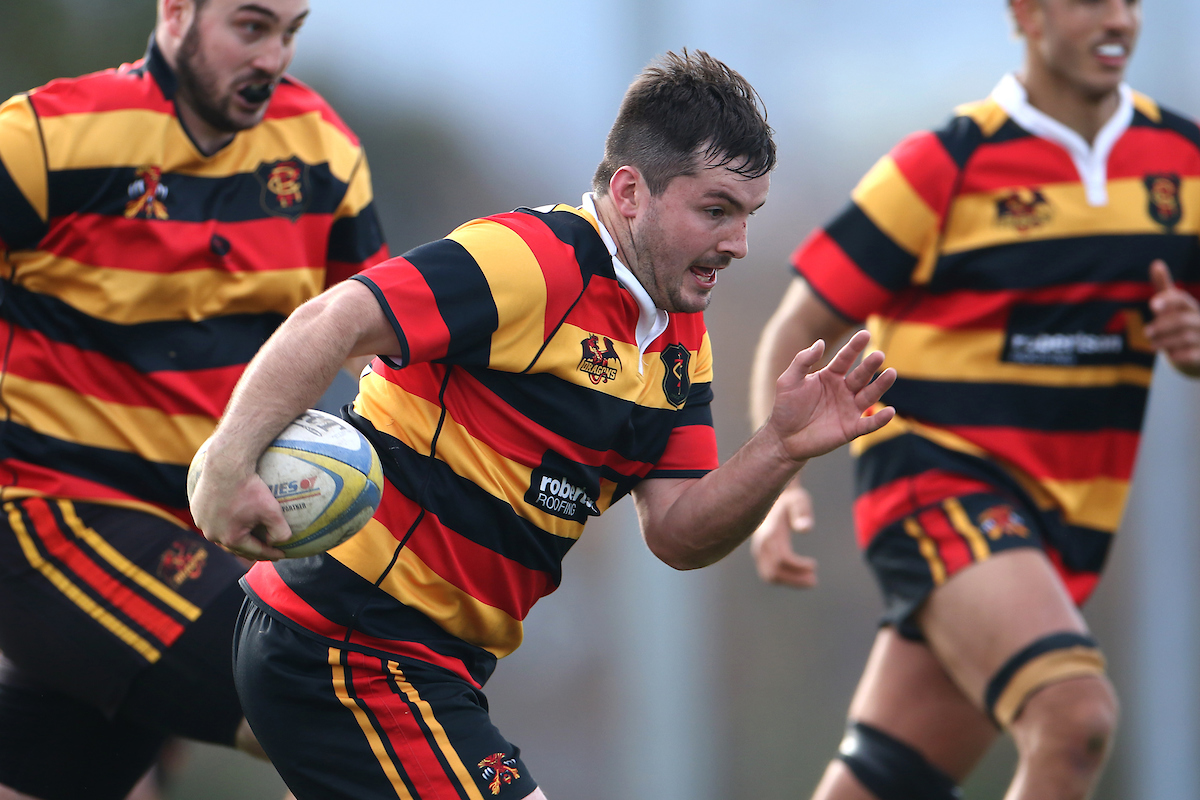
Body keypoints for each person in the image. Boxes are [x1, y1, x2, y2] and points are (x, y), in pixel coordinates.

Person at [188, 49, 897, 800]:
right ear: (631, 192)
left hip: (430, 665)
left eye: (747, 215)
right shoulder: (531, 261)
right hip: (351, 639)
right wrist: (224, 464)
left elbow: (681, 532)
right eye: (715, 209)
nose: (736, 243)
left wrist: (780, 448)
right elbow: (334, 317)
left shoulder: (680, 344)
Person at [749, 1, 1200, 798]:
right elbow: (800, 322)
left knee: (884, 780)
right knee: (1073, 715)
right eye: (1094, 0)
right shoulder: (944, 164)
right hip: (936, 483)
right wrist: (771, 479)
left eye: (1132, 1)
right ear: (1026, 12)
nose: (1120, 20)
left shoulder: (1182, 160)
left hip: (1062, 529)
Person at [0, 0, 387, 797]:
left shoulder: (323, 156)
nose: (273, 57)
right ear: (175, 13)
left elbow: (389, 354)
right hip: (47, 517)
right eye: (250, 27)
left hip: (203, 537)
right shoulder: (46, 139)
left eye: (289, 33)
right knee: (329, 701)